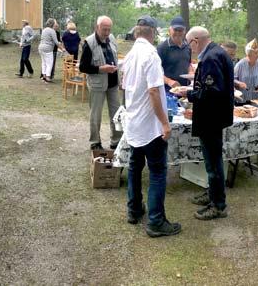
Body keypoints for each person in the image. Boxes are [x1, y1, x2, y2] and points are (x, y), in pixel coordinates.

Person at [121, 15, 181, 237]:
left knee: (135, 166)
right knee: (157, 171)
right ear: (153, 33)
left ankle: (134, 209)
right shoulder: (151, 55)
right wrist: (165, 123)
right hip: (150, 125)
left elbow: (125, 86)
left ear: (137, 32)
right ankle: (156, 221)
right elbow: (154, 90)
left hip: (135, 121)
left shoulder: (130, 55)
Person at [174, 26, 234, 220]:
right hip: (215, 116)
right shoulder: (217, 52)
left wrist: (188, 94)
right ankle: (212, 193)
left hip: (211, 117)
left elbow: (212, 91)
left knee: (213, 162)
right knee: (211, 161)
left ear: (196, 40)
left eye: (189, 44)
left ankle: (218, 205)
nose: (189, 48)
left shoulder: (210, 57)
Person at [79, 15, 123, 152]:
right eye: (104, 29)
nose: (107, 33)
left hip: (113, 84)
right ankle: (95, 142)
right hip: (97, 85)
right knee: (95, 114)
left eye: (109, 29)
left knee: (116, 114)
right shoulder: (89, 43)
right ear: (97, 27)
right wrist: (100, 69)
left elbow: (115, 57)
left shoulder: (112, 39)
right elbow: (82, 67)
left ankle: (116, 141)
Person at [157, 15, 193, 89]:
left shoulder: (187, 46)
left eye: (180, 30)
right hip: (168, 90)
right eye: (175, 30)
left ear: (184, 31)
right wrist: (169, 81)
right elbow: (156, 72)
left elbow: (188, 63)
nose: (178, 33)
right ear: (170, 30)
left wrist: (191, 72)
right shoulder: (162, 48)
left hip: (185, 89)